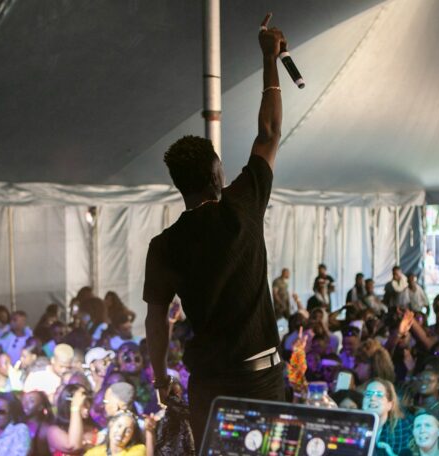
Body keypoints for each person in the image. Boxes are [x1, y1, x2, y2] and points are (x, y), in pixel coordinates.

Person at [143, 13, 287, 449]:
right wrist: (269, 59)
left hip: (208, 384)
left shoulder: (164, 246)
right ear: (216, 176)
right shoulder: (241, 206)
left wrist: (161, 376)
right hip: (260, 375)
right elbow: (269, 131)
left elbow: (156, 318)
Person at [362, 378, 411, 456]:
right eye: (368, 394)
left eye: (379, 395)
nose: (372, 398)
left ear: (390, 405)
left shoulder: (402, 427)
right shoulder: (355, 425)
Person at [22, 390, 54, 456]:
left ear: (40, 407)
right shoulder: (17, 425)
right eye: (24, 400)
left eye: (31, 401)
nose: (25, 403)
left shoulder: (45, 430)